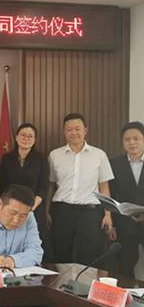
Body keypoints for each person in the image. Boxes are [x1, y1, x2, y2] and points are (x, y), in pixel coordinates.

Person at [48, 113, 114, 264]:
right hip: (62, 212)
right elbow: (50, 185)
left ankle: (84, 281)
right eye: (69, 129)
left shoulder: (99, 155)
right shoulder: (54, 155)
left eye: (77, 129)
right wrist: (47, 212)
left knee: (88, 256)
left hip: (90, 214)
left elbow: (104, 186)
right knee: (61, 254)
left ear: (85, 130)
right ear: (64, 132)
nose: (73, 132)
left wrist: (108, 214)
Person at [0, 123, 50, 254]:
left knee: (33, 246)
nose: (26, 138)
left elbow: (43, 188)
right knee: (12, 245)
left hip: (34, 209)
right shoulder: (6, 159)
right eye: (23, 135)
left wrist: (29, 209)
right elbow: (3, 186)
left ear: (35, 140)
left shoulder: (42, 159)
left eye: (30, 136)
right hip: (11, 210)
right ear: (16, 137)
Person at [110, 121, 144, 277]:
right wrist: (112, 224)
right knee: (125, 266)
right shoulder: (114, 164)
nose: (132, 143)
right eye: (127, 139)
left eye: (136, 138)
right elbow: (111, 194)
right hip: (124, 224)